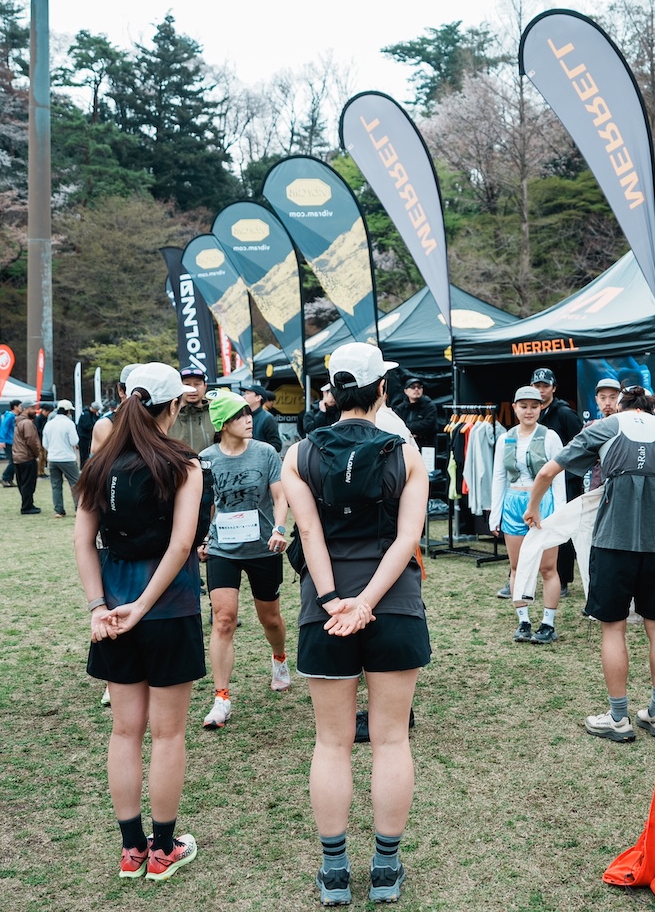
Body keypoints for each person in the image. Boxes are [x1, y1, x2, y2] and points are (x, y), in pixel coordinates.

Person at [280, 343, 430, 906]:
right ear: (381, 390)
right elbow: (407, 539)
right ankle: (385, 869)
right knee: (391, 740)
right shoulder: (405, 453)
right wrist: (365, 602)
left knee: (331, 742)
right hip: (394, 605)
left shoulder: (299, 455)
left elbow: (309, 535)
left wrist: (333, 600)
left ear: (333, 393)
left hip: (325, 611)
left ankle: (335, 871)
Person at [74, 362, 205, 882]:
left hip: (112, 611)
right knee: (168, 735)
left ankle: (132, 850)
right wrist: (146, 605)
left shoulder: (99, 464)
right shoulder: (184, 463)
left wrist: (97, 607)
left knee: (125, 731)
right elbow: (182, 544)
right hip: (168, 609)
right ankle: (164, 849)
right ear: (173, 406)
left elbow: (83, 541)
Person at [525, 385, 655, 744]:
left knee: (613, 628)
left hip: (611, 543)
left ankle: (618, 718)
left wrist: (533, 508)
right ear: (650, 408)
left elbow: (546, 473)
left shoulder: (604, 428)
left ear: (620, 407)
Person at [197, 389, 291, 730]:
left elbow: (280, 496)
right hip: (223, 549)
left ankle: (279, 658)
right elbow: (205, 504)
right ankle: (221, 698)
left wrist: (279, 528)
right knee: (224, 620)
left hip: (264, 547)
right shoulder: (206, 459)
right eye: (239, 416)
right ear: (223, 423)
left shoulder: (265, 453)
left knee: (271, 619)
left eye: (248, 414)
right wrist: (203, 539)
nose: (249, 420)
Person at [490, 386, 565, 644]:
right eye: (523, 406)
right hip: (513, 503)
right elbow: (499, 477)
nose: (529, 411)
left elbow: (558, 477)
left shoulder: (550, 437)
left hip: (544, 503)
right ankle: (523, 620)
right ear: (515, 408)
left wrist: (560, 513)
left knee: (547, 567)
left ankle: (548, 623)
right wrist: (495, 514)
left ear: (541, 407)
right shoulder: (505, 438)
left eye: (534, 406)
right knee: (517, 566)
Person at [530, 368, 583, 596]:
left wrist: (570, 476)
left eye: (545, 386)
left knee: (561, 530)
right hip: (538, 481)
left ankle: (561, 579)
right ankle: (524, 575)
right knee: (533, 526)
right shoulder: (531, 412)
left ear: (554, 388)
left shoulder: (564, 413)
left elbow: (582, 445)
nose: (541, 390)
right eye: (537, 386)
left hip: (565, 481)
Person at [45, 399, 82, 518]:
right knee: (75, 484)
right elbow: (74, 441)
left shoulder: (49, 424)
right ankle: (78, 508)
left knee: (56, 485)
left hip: (53, 458)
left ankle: (59, 510)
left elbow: (45, 444)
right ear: (68, 411)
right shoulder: (69, 423)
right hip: (67, 458)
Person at [170, 364, 216, 456]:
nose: (192, 389)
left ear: (205, 387)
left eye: (197, 384)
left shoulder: (215, 413)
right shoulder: (169, 414)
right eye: (187, 385)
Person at [11, 404, 43, 515]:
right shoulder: (27, 423)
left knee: (22, 483)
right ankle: (27, 506)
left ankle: (28, 504)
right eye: (32, 408)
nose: (35, 411)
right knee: (29, 483)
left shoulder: (18, 422)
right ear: (25, 409)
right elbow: (31, 440)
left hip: (18, 456)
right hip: (27, 456)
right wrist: (37, 453)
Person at [391, 377, 438, 448]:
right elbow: (396, 424)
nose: (416, 389)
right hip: (407, 445)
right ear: (406, 391)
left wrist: (407, 428)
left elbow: (428, 425)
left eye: (419, 387)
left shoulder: (429, 406)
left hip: (426, 445)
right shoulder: (401, 408)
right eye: (412, 387)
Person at [240, 384, 283, 452]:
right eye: (244, 394)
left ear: (258, 398)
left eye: (247, 393)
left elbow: (276, 445)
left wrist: (258, 451)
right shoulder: (241, 416)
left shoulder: (268, 418)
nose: (244, 397)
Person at [0, 400, 19, 485]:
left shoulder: (13, 416)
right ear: (15, 407)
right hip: (8, 441)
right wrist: (2, 440)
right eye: (20, 406)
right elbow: (3, 427)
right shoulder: (10, 416)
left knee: (14, 461)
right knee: (13, 461)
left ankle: (9, 479)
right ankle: (5, 477)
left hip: (11, 441)